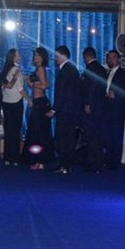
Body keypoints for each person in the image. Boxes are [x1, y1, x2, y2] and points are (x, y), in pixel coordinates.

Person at [46, 46, 82, 174]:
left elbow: (62, 93)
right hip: (71, 111)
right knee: (67, 139)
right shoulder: (72, 69)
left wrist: (54, 109)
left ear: (63, 56)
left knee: (63, 139)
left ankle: (64, 165)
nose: (55, 58)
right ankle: (65, 165)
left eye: (57, 56)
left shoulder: (66, 71)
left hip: (66, 111)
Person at [22, 47, 53, 170]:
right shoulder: (39, 68)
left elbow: (44, 85)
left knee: (39, 133)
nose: (35, 57)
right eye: (34, 55)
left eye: (37, 55)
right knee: (37, 132)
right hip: (38, 102)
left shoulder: (41, 68)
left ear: (42, 57)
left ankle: (40, 160)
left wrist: (31, 83)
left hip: (40, 103)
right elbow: (47, 83)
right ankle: (38, 159)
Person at [103, 49, 125, 170]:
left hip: (117, 110)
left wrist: (116, 94)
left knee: (117, 137)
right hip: (107, 109)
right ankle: (108, 160)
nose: (110, 60)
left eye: (113, 57)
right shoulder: (106, 73)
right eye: (109, 58)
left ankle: (115, 163)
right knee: (108, 137)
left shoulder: (124, 73)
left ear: (119, 59)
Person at [80, 47, 107, 173]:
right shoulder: (102, 69)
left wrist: (88, 103)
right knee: (98, 135)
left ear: (87, 56)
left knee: (91, 136)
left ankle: (92, 163)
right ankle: (98, 162)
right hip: (100, 106)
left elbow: (91, 87)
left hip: (91, 106)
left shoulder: (90, 68)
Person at [1, 49, 30, 167]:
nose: (20, 56)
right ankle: (14, 157)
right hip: (15, 102)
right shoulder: (15, 69)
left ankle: (7, 157)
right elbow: (19, 88)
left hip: (6, 102)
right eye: (18, 55)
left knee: (8, 130)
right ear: (13, 57)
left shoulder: (7, 69)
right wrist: (29, 99)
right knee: (15, 130)